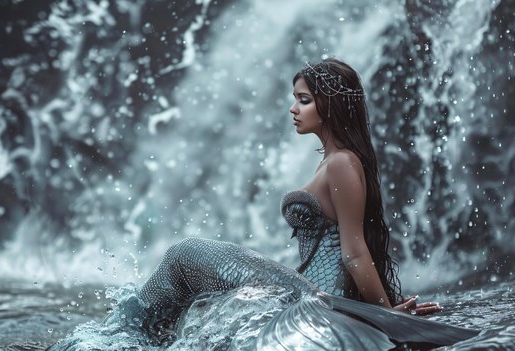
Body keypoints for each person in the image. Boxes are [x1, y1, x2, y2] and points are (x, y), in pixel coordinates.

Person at [137, 57, 479, 349]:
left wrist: (386, 315)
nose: (293, 108)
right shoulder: (334, 162)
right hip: (305, 288)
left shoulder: (343, 163)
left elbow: (354, 251)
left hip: (315, 296)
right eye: (296, 99)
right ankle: (153, 336)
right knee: (184, 265)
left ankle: (132, 333)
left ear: (329, 106)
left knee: (183, 253)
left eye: (303, 100)